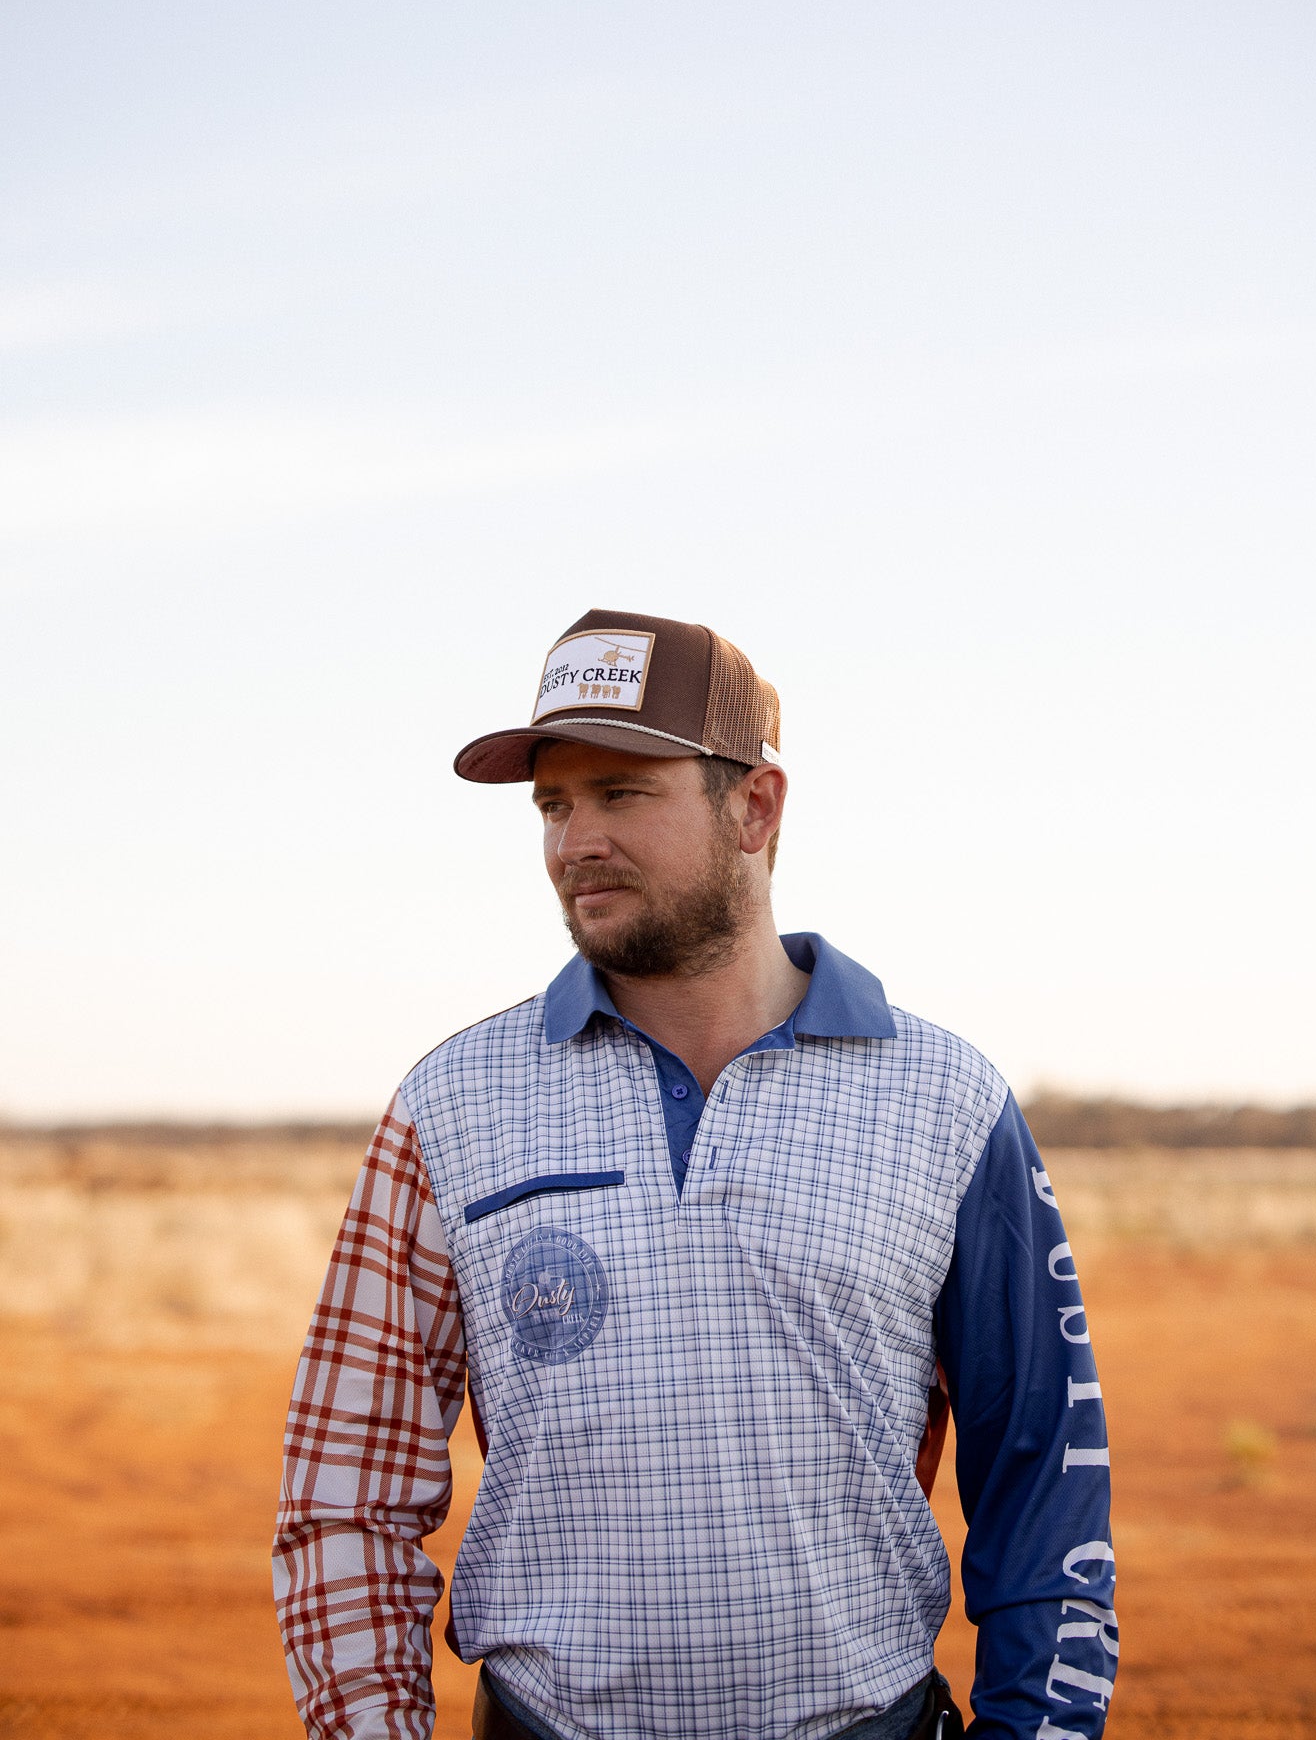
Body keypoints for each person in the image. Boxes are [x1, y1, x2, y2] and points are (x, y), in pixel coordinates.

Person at [273, 607, 1118, 1740]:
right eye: (554, 805)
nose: (575, 842)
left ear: (754, 806)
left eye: (621, 793)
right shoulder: (451, 1103)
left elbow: (1042, 1469)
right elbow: (346, 1492)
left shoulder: (945, 1100)